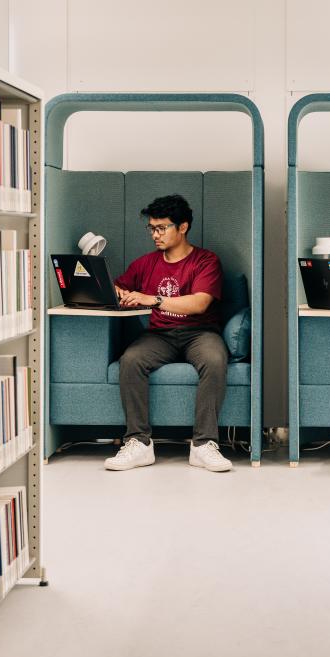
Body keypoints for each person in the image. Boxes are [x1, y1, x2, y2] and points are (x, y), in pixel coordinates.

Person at [105, 194, 233, 473]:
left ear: (183, 227)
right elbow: (115, 287)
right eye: (151, 228)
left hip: (200, 333)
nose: (155, 234)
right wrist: (119, 293)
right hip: (159, 335)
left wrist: (154, 299)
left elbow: (199, 303)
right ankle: (138, 443)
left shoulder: (206, 261)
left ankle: (203, 445)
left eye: (161, 228)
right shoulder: (145, 263)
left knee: (214, 360)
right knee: (131, 360)